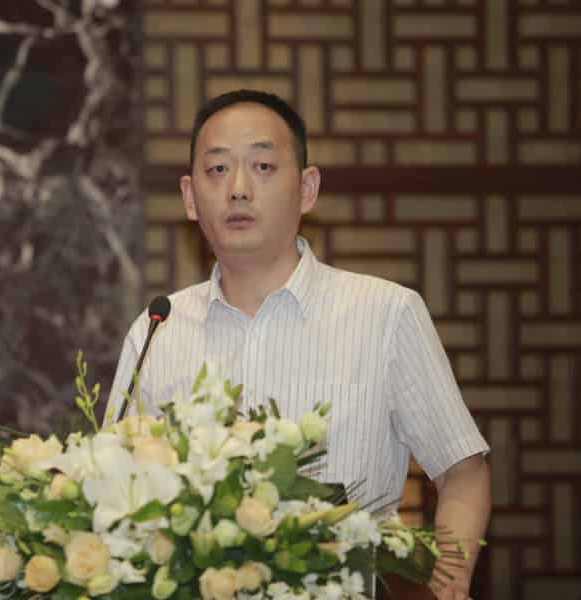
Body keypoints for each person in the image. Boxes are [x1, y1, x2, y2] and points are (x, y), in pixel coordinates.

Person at [108, 89, 491, 600]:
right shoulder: (159, 328)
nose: (238, 189)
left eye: (263, 167)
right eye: (217, 170)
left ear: (307, 188)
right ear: (189, 197)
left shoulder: (384, 313)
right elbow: (114, 492)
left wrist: (451, 584)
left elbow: (463, 470)